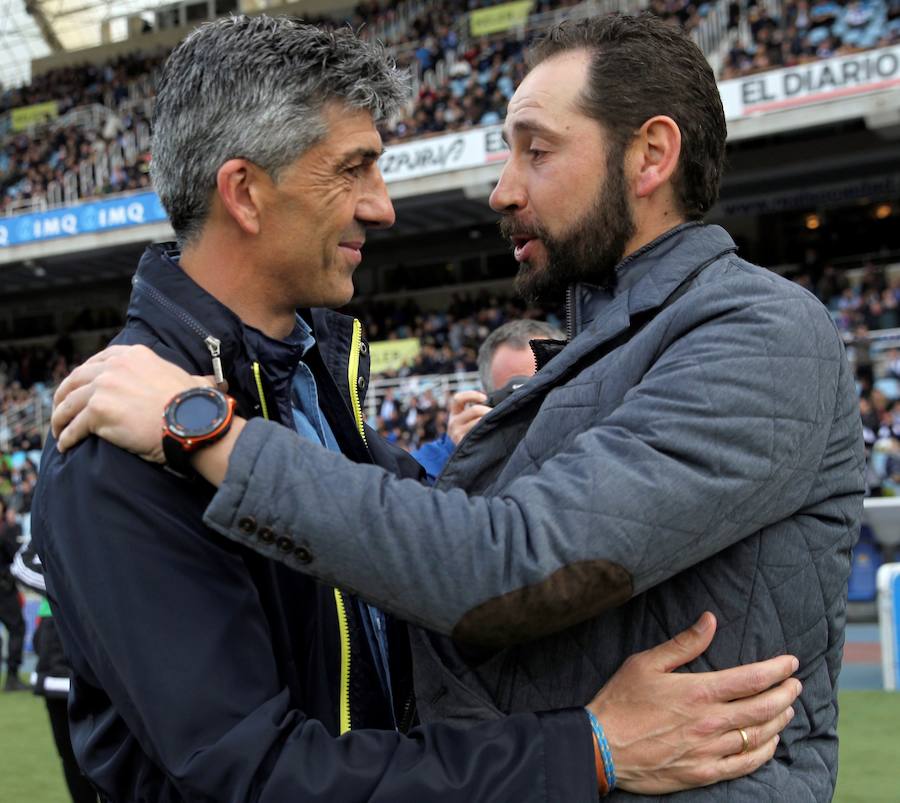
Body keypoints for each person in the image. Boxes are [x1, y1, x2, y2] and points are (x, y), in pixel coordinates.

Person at [33, 15, 800, 803]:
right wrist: (587, 749)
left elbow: (466, 568)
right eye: (354, 169)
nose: (383, 206)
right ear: (246, 194)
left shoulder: (309, 387)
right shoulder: (115, 450)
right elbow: (255, 776)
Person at [413, 318, 564, 478]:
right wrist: (457, 455)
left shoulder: (589, 439)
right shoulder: (425, 468)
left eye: (546, 389)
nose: (533, 406)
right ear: (486, 402)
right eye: (513, 397)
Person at [11, 540, 98, 802]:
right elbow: (22, 564)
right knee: (70, 757)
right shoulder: (52, 507)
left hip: (111, 658)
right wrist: (73, 588)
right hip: (57, 660)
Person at [0, 501, 27, 692]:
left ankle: (12, 677)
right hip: (4, 587)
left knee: (17, 629)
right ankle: (11, 677)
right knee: (17, 628)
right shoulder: (5, 530)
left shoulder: (7, 528)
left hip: (6, 587)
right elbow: (15, 555)